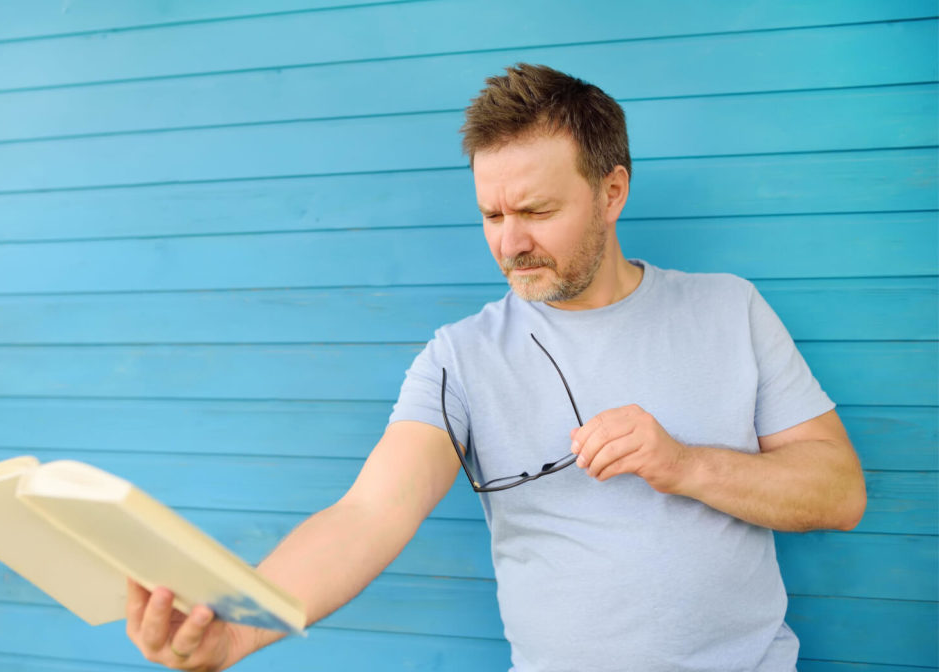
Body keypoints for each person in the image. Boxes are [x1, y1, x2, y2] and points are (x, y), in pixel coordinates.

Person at [125, 63, 866, 671]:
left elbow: (839, 493)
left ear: (612, 192)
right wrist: (239, 630)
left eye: (536, 212)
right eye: (492, 215)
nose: (510, 244)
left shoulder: (729, 309)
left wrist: (684, 464)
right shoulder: (460, 358)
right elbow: (367, 515)